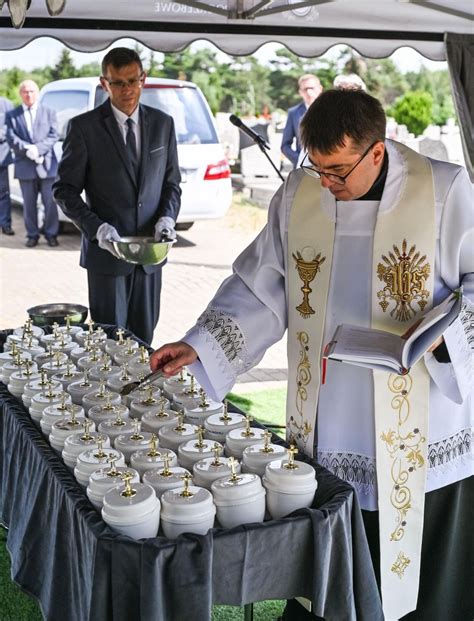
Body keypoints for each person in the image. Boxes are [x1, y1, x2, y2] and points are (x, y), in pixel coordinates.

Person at [151, 90, 473, 620]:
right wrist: (199, 344)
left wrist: (445, 334)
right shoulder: (300, 195)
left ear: (377, 151)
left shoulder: (443, 190)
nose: (327, 184)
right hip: (328, 419)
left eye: (339, 171)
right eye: (317, 168)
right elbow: (261, 289)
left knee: (421, 578)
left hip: (422, 419)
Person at [53, 47, 181, 345]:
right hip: (106, 259)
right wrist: (97, 229)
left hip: (151, 258)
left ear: (143, 79)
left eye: (133, 81)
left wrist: (166, 217)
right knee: (110, 343)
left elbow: (172, 184)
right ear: (104, 83)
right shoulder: (84, 128)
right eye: (118, 83)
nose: (127, 90)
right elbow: (64, 190)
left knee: (145, 343)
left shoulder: (164, 124)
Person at [5, 80, 60, 247]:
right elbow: (10, 136)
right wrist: (26, 149)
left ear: (37, 93)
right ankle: (32, 235)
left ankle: (51, 234)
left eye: (32, 91)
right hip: (25, 166)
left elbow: (54, 134)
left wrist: (38, 149)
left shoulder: (49, 112)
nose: (29, 95)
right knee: (28, 205)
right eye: (25, 92)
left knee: (50, 203)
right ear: (21, 94)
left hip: (47, 165)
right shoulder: (12, 115)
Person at [281, 74, 322, 168]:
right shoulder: (293, 113)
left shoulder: (332, 110)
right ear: (300, 92)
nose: (308, 92)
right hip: (303, 168)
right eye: (305, 89)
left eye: (311, 88)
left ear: (320, 88)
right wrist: (299, 160)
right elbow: (285, 145)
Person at [0, 95, 14, 236]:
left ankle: (5, 225)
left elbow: (11, 125)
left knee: (3, 193)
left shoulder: (7, 104)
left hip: (1, 157)